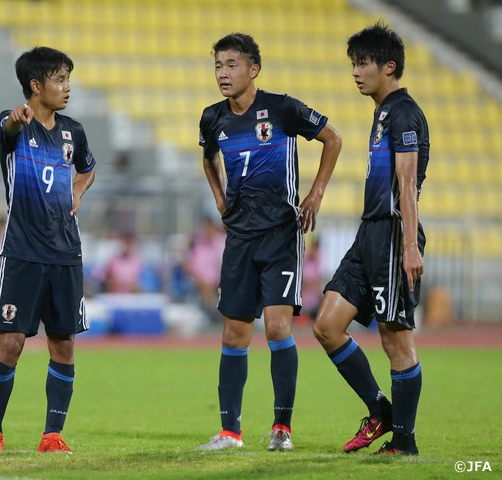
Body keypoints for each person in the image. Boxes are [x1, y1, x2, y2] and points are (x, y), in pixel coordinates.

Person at [196, 33, 342, 451]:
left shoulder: (282, 108)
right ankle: (230, 433)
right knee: (233, 334)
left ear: (253, 69)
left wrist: (314, 194)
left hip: (281, 233)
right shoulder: (212, 118)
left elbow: (333, 138)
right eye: (218, 66)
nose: (223, 73)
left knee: (277, 326)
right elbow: (208, 157)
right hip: (239, 237)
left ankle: (282, 429)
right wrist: (220, 198)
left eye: (232, 65)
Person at [312, 21, 429, 456]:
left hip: (395, 235)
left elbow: (407, 180)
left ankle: (405, 441)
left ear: (389, 66)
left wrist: (411, 246)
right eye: (354, 64)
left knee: (395, 338)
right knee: (326, 324)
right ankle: (380, 409)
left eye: (363, 63)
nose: (356, 72)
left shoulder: (403, 112)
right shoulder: (381, 113)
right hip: (369, 235)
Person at [0, 46, 96, 454]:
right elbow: (7, 130)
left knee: (62, 344)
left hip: (66, 253)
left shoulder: (73, 131)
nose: (67, 87)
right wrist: (13, 121)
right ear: (36, 85)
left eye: (68, 78)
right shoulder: (14, 124)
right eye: (59, 79)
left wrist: (77, 191)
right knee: (10, 344)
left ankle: (52, 435)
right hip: (24, 253)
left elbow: (87, 166)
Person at [183, 216, 225, 324]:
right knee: (205, 285)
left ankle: (215, 312)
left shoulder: (221, 241)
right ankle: (210, 313)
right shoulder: (197, 243)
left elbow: (222, 263)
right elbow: (189, 264)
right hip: (200, 279)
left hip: (220, 277)